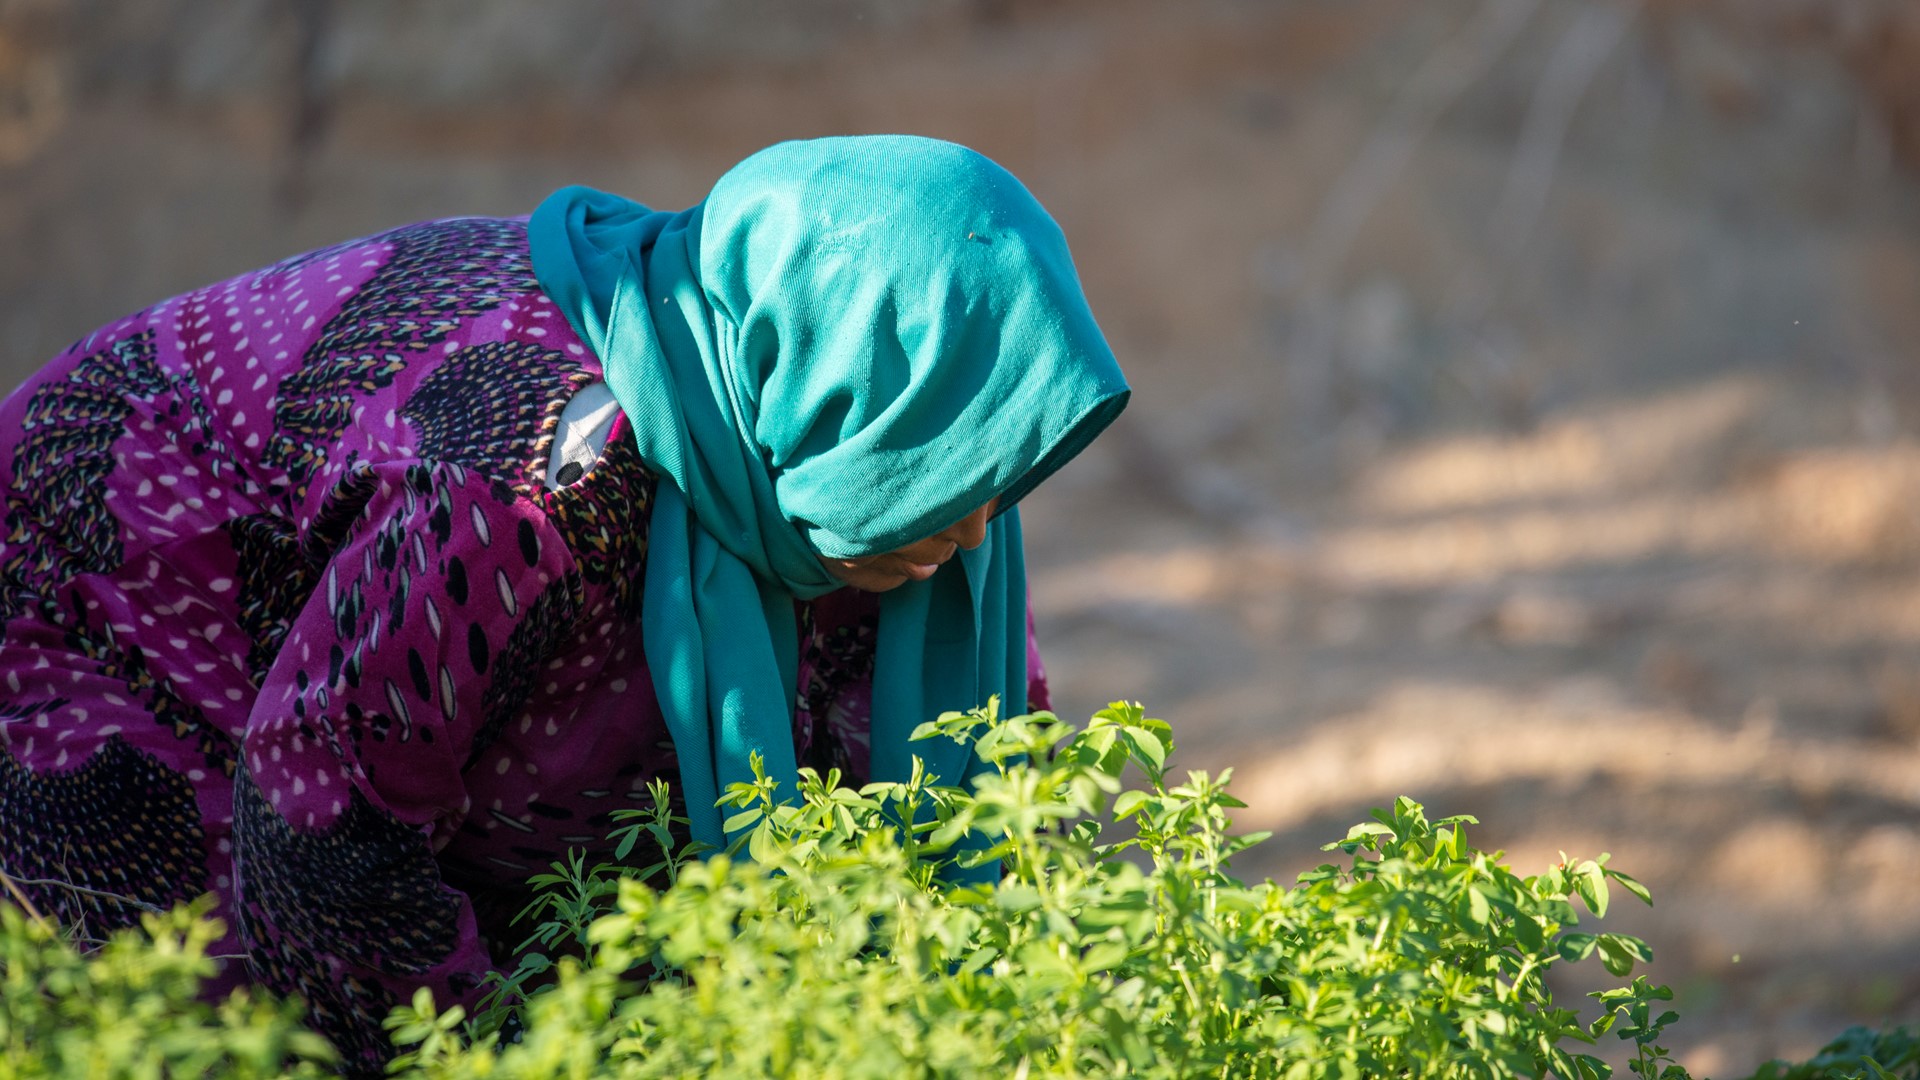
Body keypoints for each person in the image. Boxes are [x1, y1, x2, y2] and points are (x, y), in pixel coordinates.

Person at [0, 135, 1128, 1073]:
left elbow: (986, 831)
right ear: (822, 385)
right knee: (227, 1032)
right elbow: (325, 817)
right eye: (942, 479)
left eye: (994, 481)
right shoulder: (531, 467)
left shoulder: (912, 470)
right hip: (102, 617)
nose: (979, 531)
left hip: (361, 688)